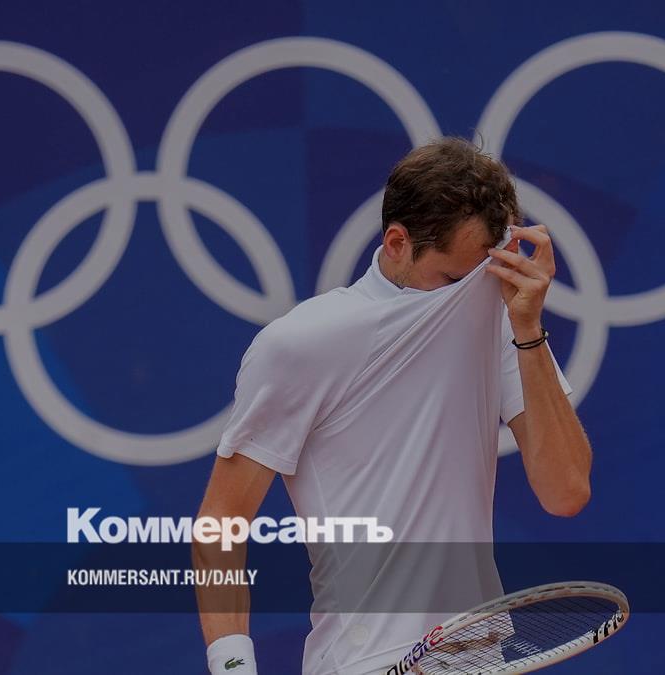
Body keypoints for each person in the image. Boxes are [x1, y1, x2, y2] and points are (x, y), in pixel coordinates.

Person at [194, 136, 593, 675]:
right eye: (452, 279)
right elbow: (221, 522)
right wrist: (233, 667)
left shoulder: (498, 316)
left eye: (481, 274)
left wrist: (527, 327)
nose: (469, 292)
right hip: (364, 662)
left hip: (480, 657)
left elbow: (566, 491)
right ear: (398, 242)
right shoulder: (299, 344)